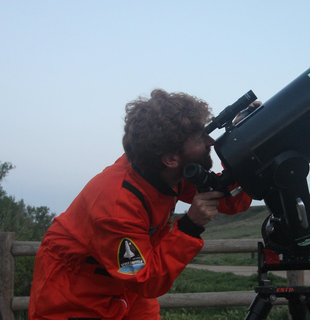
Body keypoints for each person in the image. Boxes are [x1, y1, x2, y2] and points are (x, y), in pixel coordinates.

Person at [28, 89, 253, 320]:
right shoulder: (116, 204)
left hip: (127, 288)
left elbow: (230, 201)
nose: (211, 141)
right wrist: (190, 226)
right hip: (73, 292)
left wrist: (249, 142)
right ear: (171, 158)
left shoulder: (167, 173)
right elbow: (146, 278)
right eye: (199, 138)